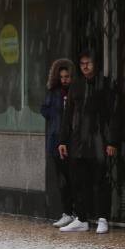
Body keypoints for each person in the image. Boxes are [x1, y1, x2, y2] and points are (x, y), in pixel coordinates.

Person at [57, 50, 120, 234]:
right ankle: (82, 218)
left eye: (88, 62)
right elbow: (68, 115)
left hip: (99, 139)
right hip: (78, 141)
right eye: (82, 63)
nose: (85, 66)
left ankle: (102, 218)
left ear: (95, 64)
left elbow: (114, 115)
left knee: (100, 180)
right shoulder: (76, 85)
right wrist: (62, 140)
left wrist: (112, 141)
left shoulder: (106, 85)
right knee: (79, 181)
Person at [41, 58, 75, 228]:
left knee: (73, 178)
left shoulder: (74, 92)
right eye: (62, 77)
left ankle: (76, 212)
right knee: (62, 178)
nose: (64, 80)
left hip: (71, 139)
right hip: (56, 138)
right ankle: (67, 212)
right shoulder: (54, 92)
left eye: (67, 76)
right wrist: (55, 114)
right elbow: (44, 109)